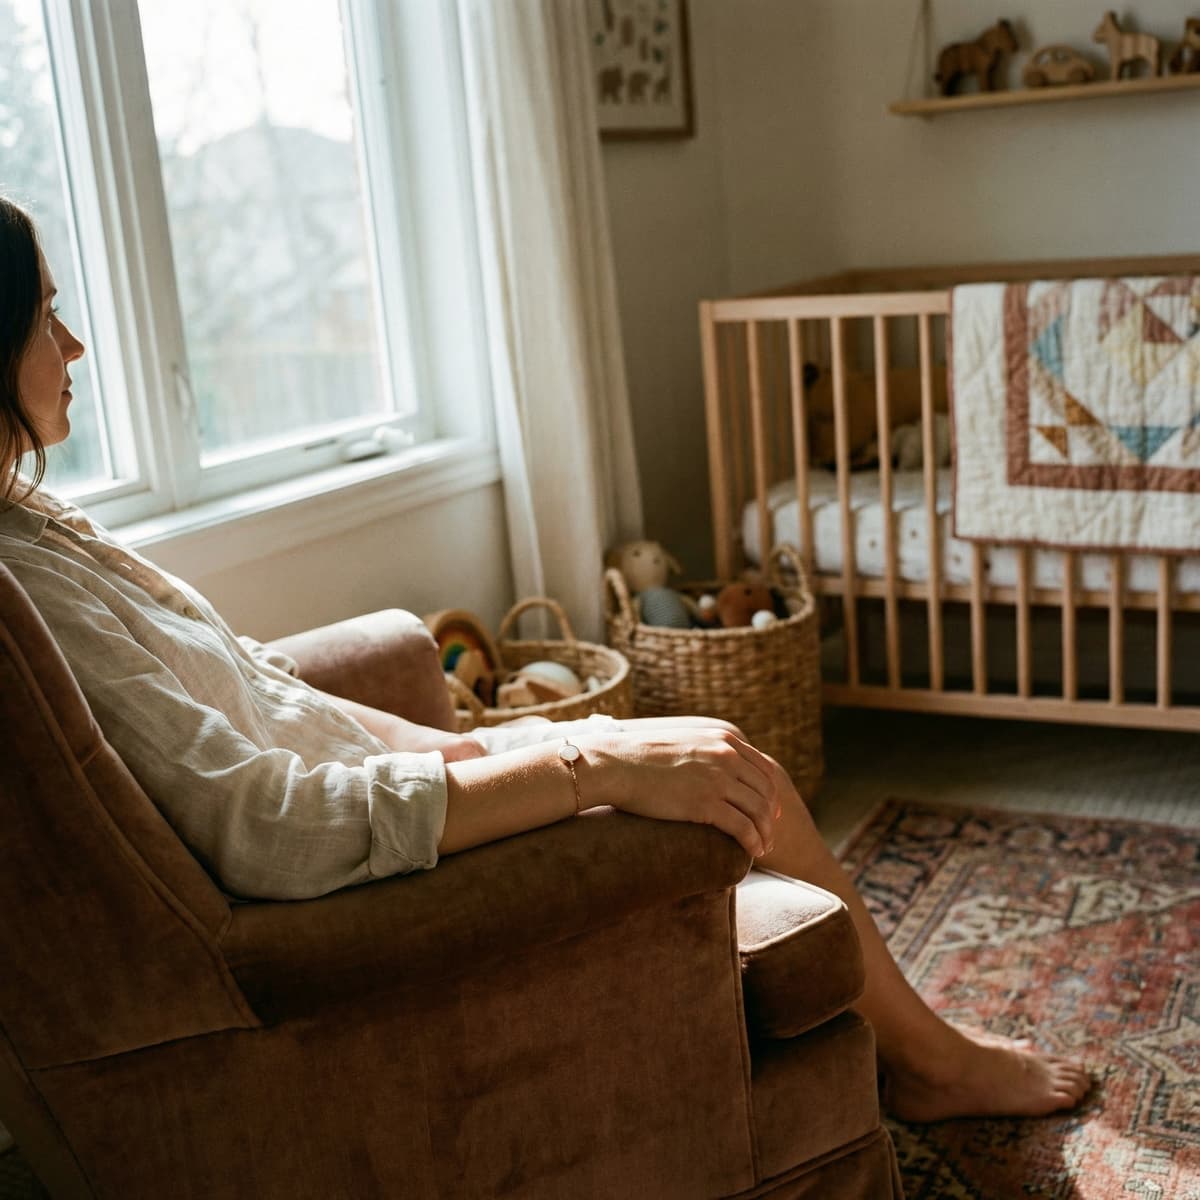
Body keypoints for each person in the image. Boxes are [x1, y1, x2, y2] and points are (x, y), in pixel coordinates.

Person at [0, 194, 1089, 1122]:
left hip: (405, 788)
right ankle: (937, 1066)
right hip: (360, 879)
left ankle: (925, 1054)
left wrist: (484, 744)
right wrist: (590, 770)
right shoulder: (24, 591)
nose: (78, 347)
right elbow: (276, 826)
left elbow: (262, 692)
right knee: (721, 763)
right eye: (50, 316)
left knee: (703, 743)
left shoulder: (42, 528)